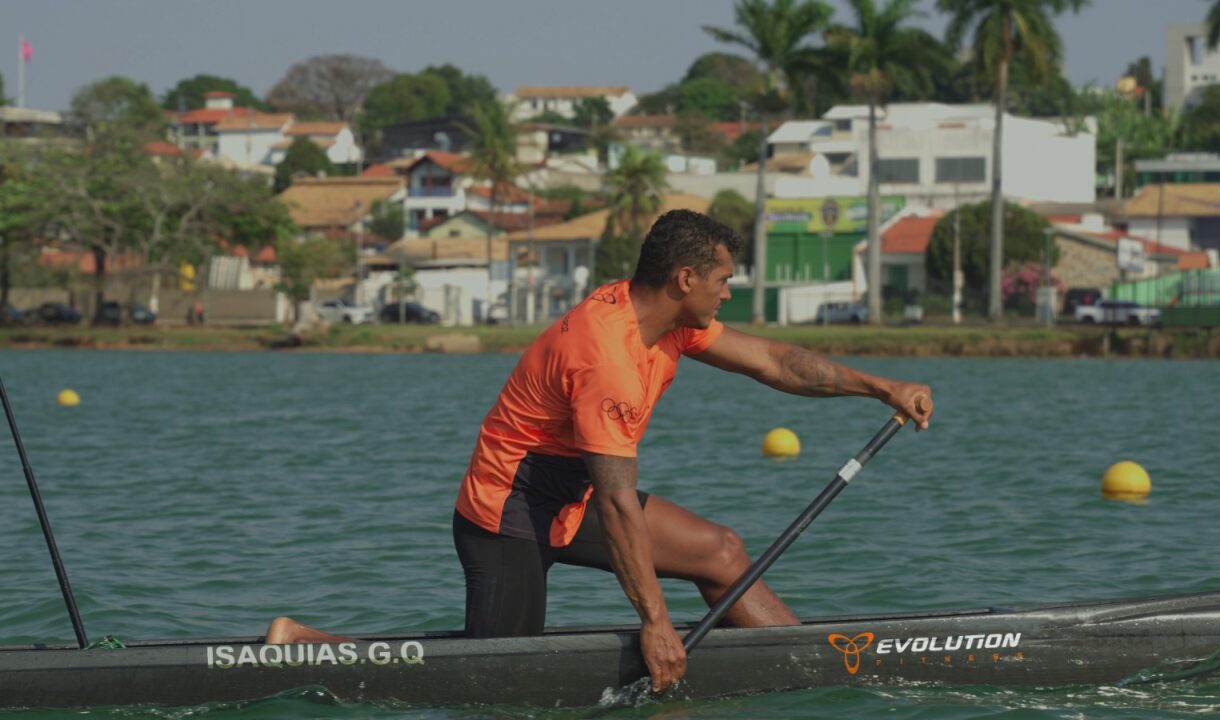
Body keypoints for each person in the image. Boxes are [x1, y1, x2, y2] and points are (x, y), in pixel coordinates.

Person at [267, 210, 933, 692]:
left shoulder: (665, 320)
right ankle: (307, 644)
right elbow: (617, 503)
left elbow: (774, 361)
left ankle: (815, 667)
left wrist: (881, 387)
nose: (728, 293)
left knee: (721, 552)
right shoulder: (608, 357)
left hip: (570, 497)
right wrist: (656, 623)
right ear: (682, 279)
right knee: (492, 685)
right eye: (722, 281)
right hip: (508, 513)